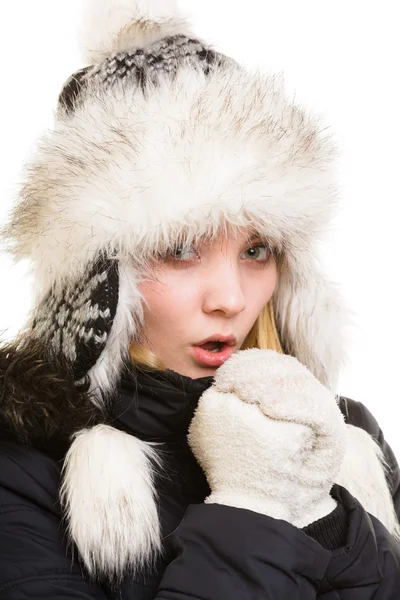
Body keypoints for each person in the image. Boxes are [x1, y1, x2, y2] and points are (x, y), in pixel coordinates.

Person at [0, 1, 399, 598]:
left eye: (257, 249)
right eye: (180, 248)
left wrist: (319, 508)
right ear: (95, 276)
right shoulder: (24, 468)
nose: (232, 298)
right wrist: (255, 504)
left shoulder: (340, 436)